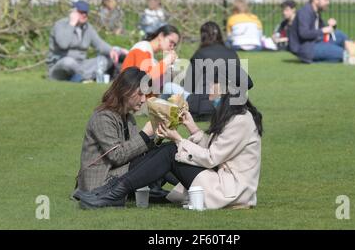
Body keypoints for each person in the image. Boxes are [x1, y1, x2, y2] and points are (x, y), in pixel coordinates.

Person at [76, 68, 263, 210]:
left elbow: (212, 157)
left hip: (231, 190)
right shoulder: (236, 116)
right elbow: (216, 149)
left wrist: (177, 139)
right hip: (226, 182)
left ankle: (116, 193)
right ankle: (120, 192)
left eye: (213, 84)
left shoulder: (239, 120)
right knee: (169, 151)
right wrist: (190, 127)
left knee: (171, 151)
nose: (209, 90)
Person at [72, 67, 177, 202]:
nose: (144, 99)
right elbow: (117, 156)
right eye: (140, 94)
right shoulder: (103, 117)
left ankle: (190, 187)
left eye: (146, 94)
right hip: (98, 185)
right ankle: (191, 188)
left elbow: (136, 152)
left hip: (117, 175)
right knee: (165, 154)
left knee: (168, 149)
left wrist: (158, 136)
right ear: (125, 91)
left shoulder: (127, 117)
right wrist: (145, 134)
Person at [162, 21, 243, 121]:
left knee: (168, 87)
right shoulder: (232, 53)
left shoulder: (200, 54)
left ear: (203, 36)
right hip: (231, 105)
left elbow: (189, 86)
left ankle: (157, 110)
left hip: (203, 106)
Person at [46, 0, 128, 82]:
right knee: (68, 62)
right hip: (60, 65)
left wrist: (113, 50)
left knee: (106, 59)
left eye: (86, 12)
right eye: (81, 12)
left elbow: (99, 44)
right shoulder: (60, 25)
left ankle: (79, 77)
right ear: (73, 12)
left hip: (81, 64)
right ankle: (84, 76)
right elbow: (63, 44)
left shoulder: (88, 28)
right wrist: (72, 24)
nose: (84, 15)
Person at [289, 0, 355, 64]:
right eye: (325, 0)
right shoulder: (305, 12)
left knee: (339, 34)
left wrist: (331, 26)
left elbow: (322, 29)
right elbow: (304, 33)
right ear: (316, 0)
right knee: (341, 53)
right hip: (306, 48)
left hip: (316, 42)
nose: (328, 2)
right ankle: (350, 55)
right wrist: (323, 30)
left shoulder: (315, 12)